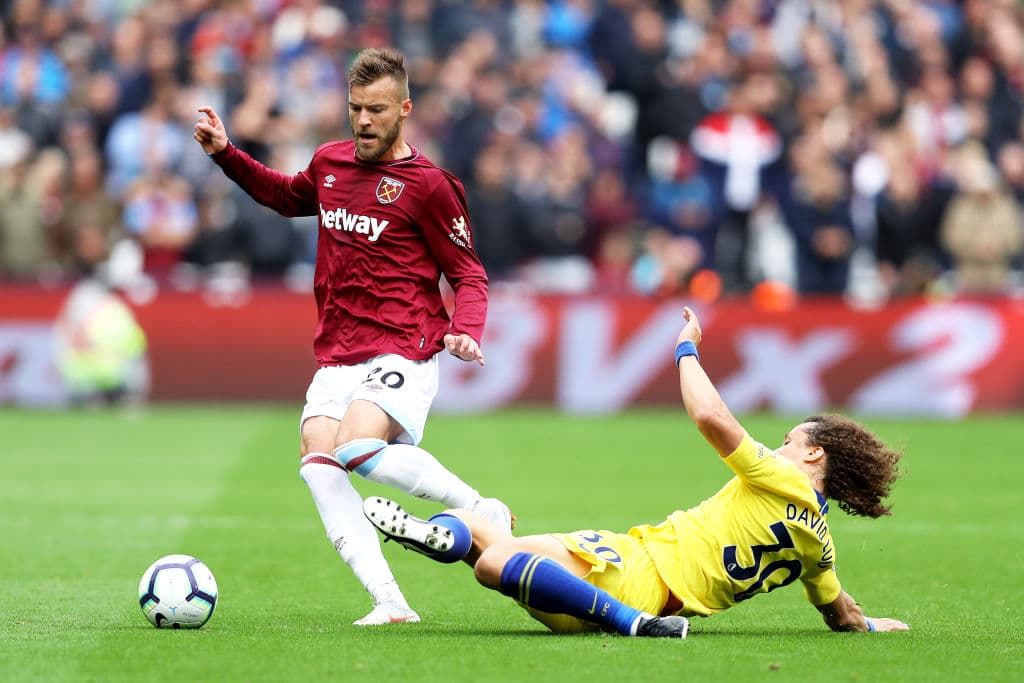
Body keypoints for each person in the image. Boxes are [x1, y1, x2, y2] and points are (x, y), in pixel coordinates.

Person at [193, 47, 512, 626]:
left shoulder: (431, 186)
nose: (363, 121)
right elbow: (285, 196)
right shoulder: (330, 162)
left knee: (355, 447)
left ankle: (478, 507)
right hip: (338, 351)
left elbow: (468, 272)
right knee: (318, 461)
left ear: (405, 109)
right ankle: (389, 602)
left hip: (406, 343)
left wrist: (465, 330)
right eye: (355, 108)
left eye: (377, 110)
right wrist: (227, 155)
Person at [363, 307, 910, 638]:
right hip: (635, 572)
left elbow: (711, 417)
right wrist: (867, 626)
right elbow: (837, 611)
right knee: (489, 521)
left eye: (791, 440)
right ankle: (444, 534)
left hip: (638, 575)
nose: (780, 444)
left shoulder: (782, 478)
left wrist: (686, 351)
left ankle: (632, 626)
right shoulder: (821, 544)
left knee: (495, 561)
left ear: (814, 457)